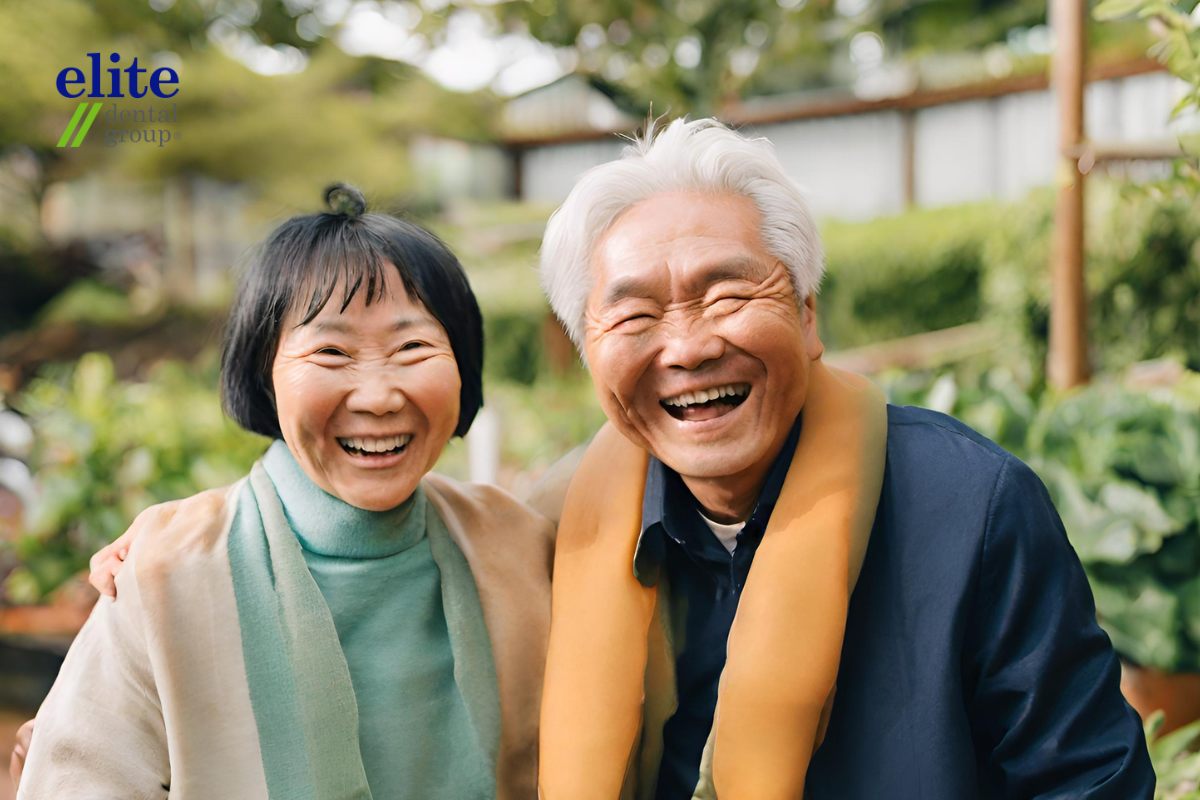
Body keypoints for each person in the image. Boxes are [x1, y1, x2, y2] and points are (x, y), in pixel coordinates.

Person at [533, 119, 1153, 798]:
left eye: (729, 296)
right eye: (634, 317)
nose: (687, 348)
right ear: (590, 354)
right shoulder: (552, 533)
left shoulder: (970, 505)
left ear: (806, 315)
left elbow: (1086, 782)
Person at [12, 185, 553, 800]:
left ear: (463, 365)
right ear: (264, 374)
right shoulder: (168, 573)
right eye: (330, 351)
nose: (377, 396)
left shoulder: (520, 545)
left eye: (412, 347)